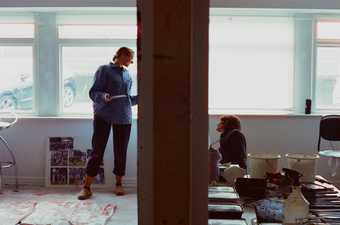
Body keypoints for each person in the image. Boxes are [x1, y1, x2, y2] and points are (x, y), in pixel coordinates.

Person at [78, 47, 137, 200]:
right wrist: (104, 96)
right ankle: (86, 187)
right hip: (103, 115)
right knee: (97, 151)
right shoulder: (104, 70)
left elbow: (128, 99)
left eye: (131, 59)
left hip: (124, 117)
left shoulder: (127, 74)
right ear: (120, 55)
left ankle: (119, 184)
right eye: (129, 57)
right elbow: (93, 92)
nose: (130, 61)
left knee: (121, 151)